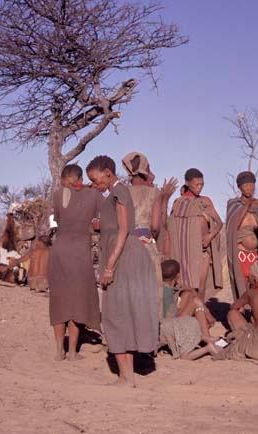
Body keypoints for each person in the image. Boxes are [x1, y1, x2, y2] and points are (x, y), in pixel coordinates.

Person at [86, 155, 159, 387]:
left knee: (114, 314)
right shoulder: (113, 194)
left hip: (124, 259)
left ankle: (126, 377)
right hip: (124, 257)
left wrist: (109, 267)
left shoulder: (119, 192)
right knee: (121, 315)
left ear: (108, 173)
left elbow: (124, 230)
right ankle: (126, 376)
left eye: (96, 180)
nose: (95, 185)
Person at [48, 164, 101, 361]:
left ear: (64, 178)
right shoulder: (93, 195)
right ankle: (72, 352)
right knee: (77, 301)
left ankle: (58, 351)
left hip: (60, 252)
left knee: (60, 301)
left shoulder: (58, 194)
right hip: (80, 254)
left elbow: (59, 219)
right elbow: (105, 212)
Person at [121, 151, 178, 315]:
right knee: (149, 288)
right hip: (146, 245)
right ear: (145, 169)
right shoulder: (154, 193)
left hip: (125, 245)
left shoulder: (122, 192)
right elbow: (155, 226)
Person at [167, 168, 223, 304]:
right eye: (196, 184)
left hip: (203, 251)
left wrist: (210, 236)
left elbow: (219, 223)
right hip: (184, 253)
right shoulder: (178, 203)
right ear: (187, 183)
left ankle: (200, 315)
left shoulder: (205, 201)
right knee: (186, 287)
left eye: (202, 184)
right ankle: (189, 315)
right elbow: (173, 228)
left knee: (200, 286)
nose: (199, 187)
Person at [159, 259, 218, 359]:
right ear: (177, 275)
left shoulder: (164, 287)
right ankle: (206, 336)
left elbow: (187, 290)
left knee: (192, 297)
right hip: (169, 326)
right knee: (195, 301)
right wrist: (206, 311)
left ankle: (206, 336)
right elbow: (169, 316)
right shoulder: (167, 293)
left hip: (168, 323)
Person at [226, 171, 258, 300]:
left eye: (252, 185)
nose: (249, 188)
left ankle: (256, 311)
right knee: (243, 283)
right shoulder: (233, 204)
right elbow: (235, 224)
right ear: (239, 187)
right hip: (240, 253)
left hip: (257, 253)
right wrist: (248, 205)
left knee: (257, 282)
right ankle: (242, 310)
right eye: (246, 186)